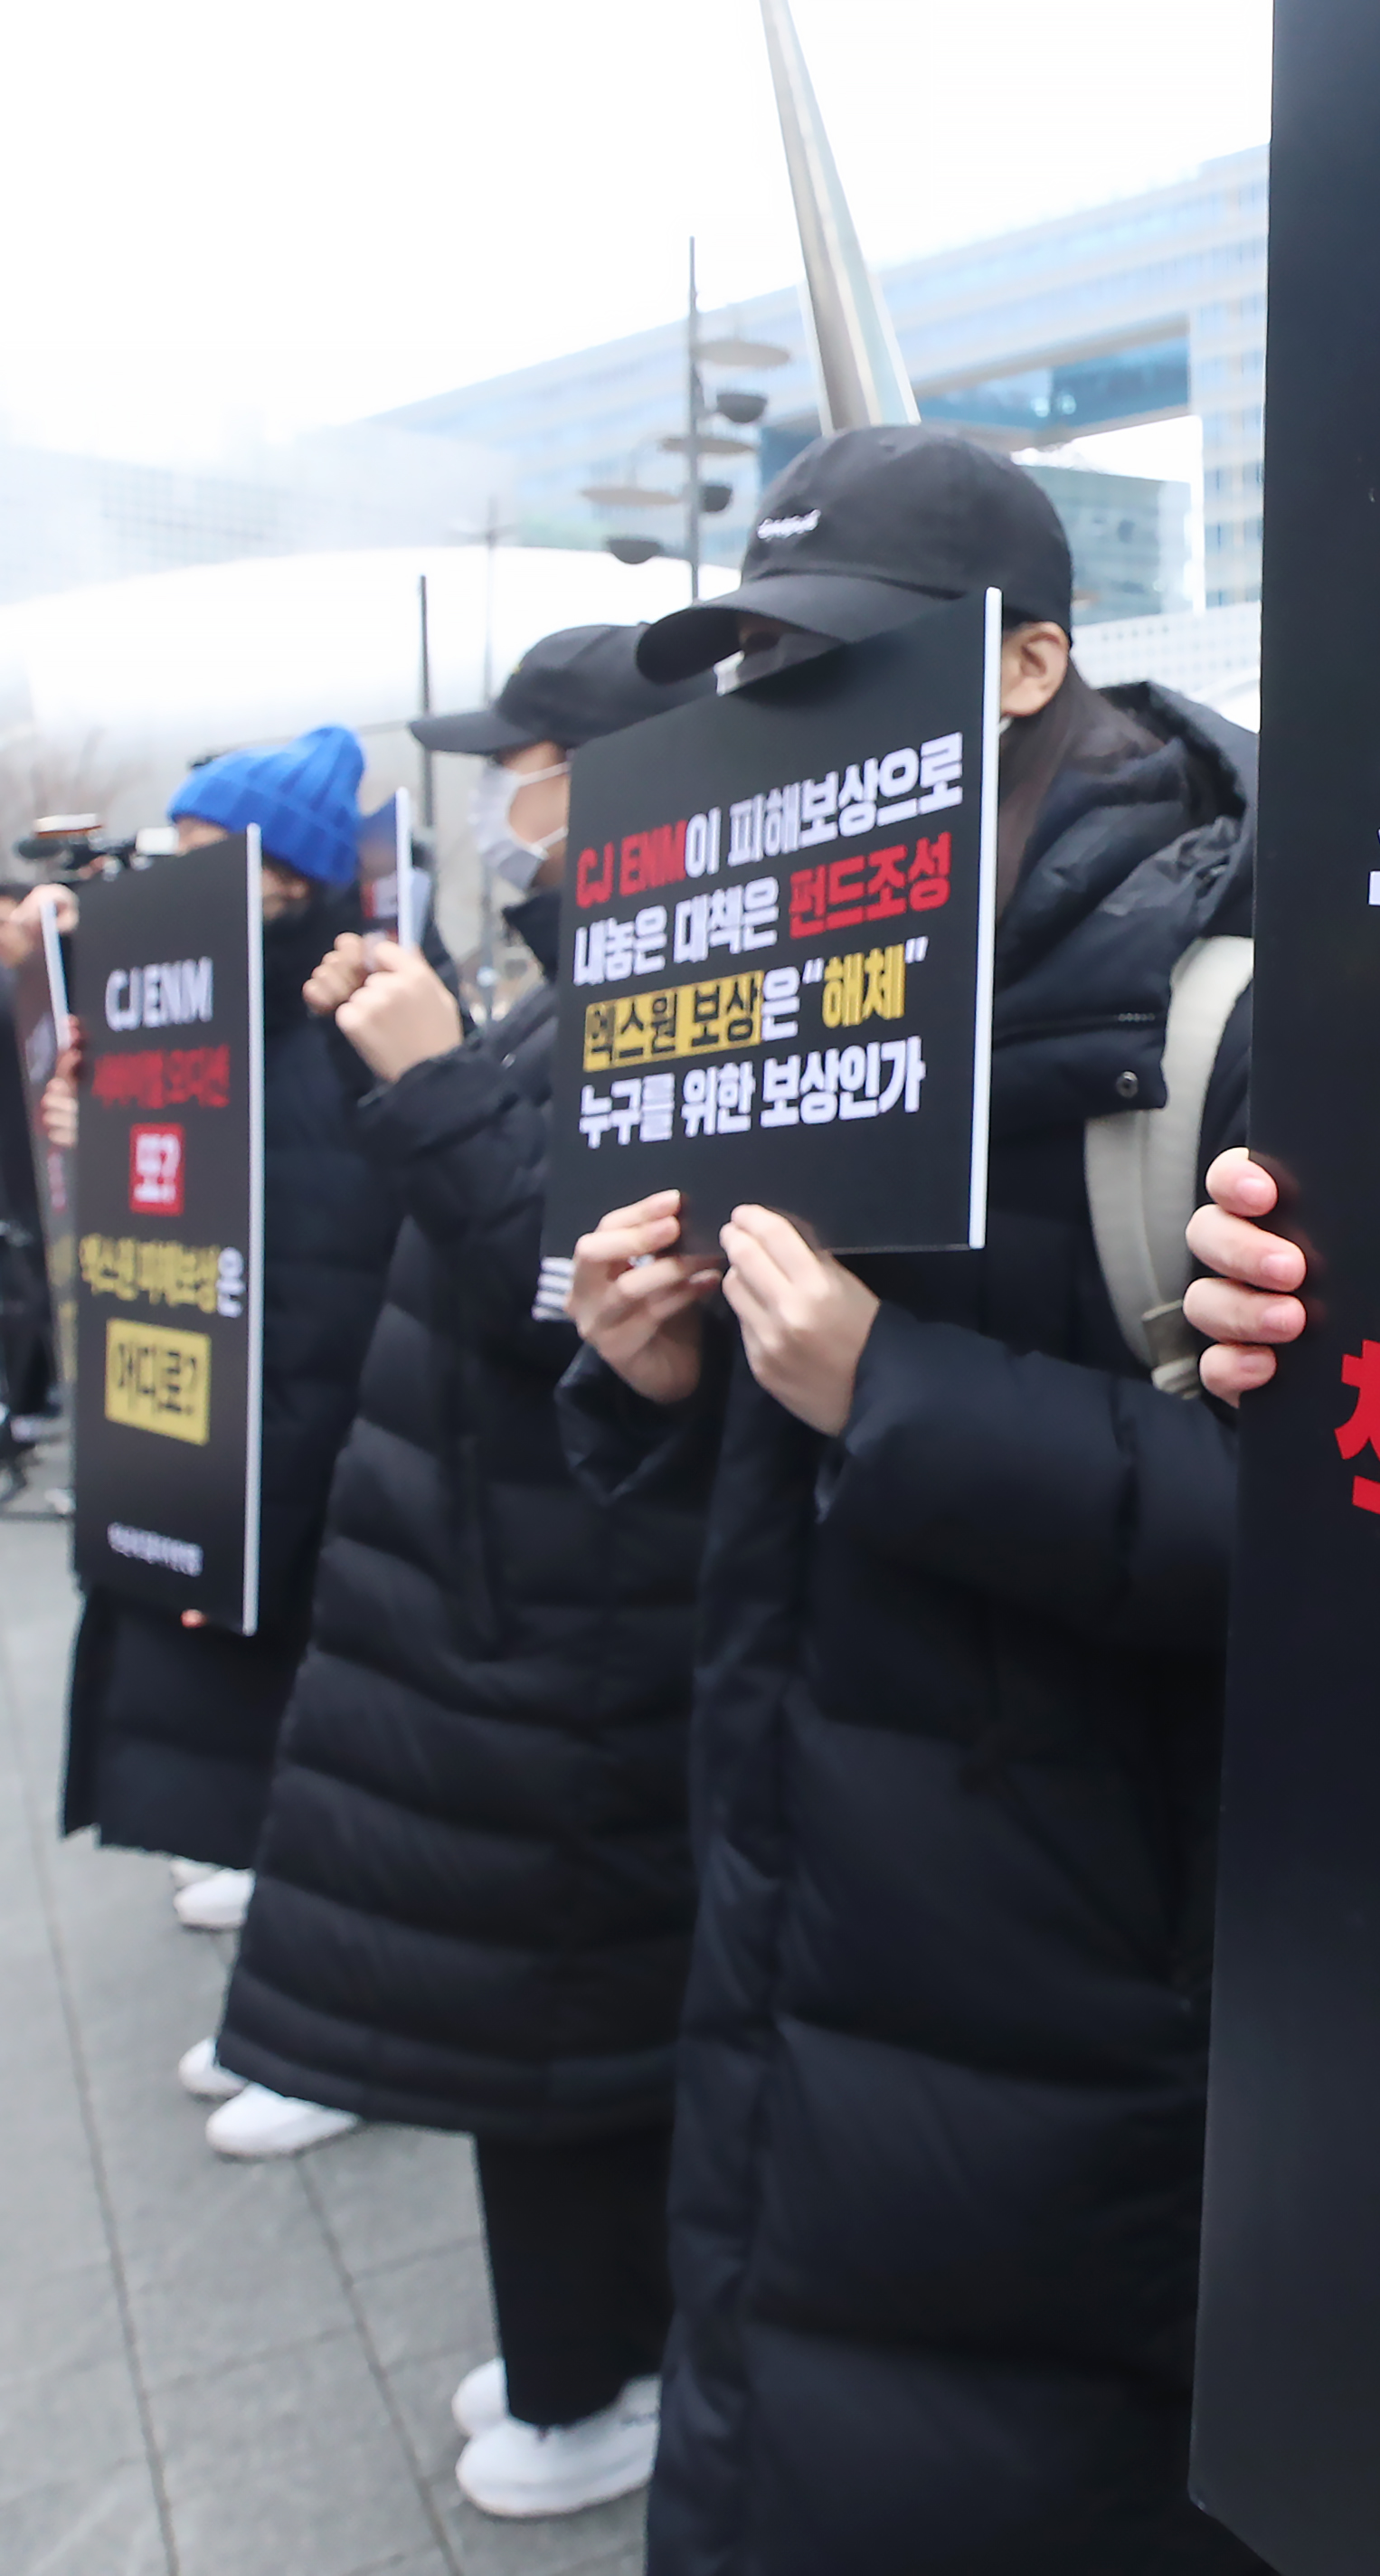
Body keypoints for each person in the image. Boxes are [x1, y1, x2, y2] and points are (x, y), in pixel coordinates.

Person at [565, 425, 1271, 2575]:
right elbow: (750, 1477)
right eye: (753, 663)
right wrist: (650, 1373)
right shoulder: (766, 964)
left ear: (1033, 660)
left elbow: (1335, 1552)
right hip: (792, 1896)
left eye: (834, 658)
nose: (780, 712)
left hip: (1071, 1973)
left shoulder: (1224, 1002)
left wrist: (897, 1390)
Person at [194, 628, 716, 2520]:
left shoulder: (704, 987)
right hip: (502, 1578)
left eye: (538, 758)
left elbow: (586, 1294)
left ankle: (602, 2379)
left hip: (570, 1596)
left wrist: (431, 1074)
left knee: (559, 2017)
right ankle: (589, 2352)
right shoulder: (584, 966)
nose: (512, 794)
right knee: (538, 2017)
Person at [55, 731, 401, 1943]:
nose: (176, 876)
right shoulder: (207, 1014)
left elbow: (320, 1292)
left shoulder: (337, 1029)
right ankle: (266, 1882)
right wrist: (93, 1124)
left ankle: (296, 1955)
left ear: (284, 877)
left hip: (290, 1461)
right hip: (223, 1440)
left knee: (303, 1717)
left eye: (205, 852)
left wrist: (248, 1502)